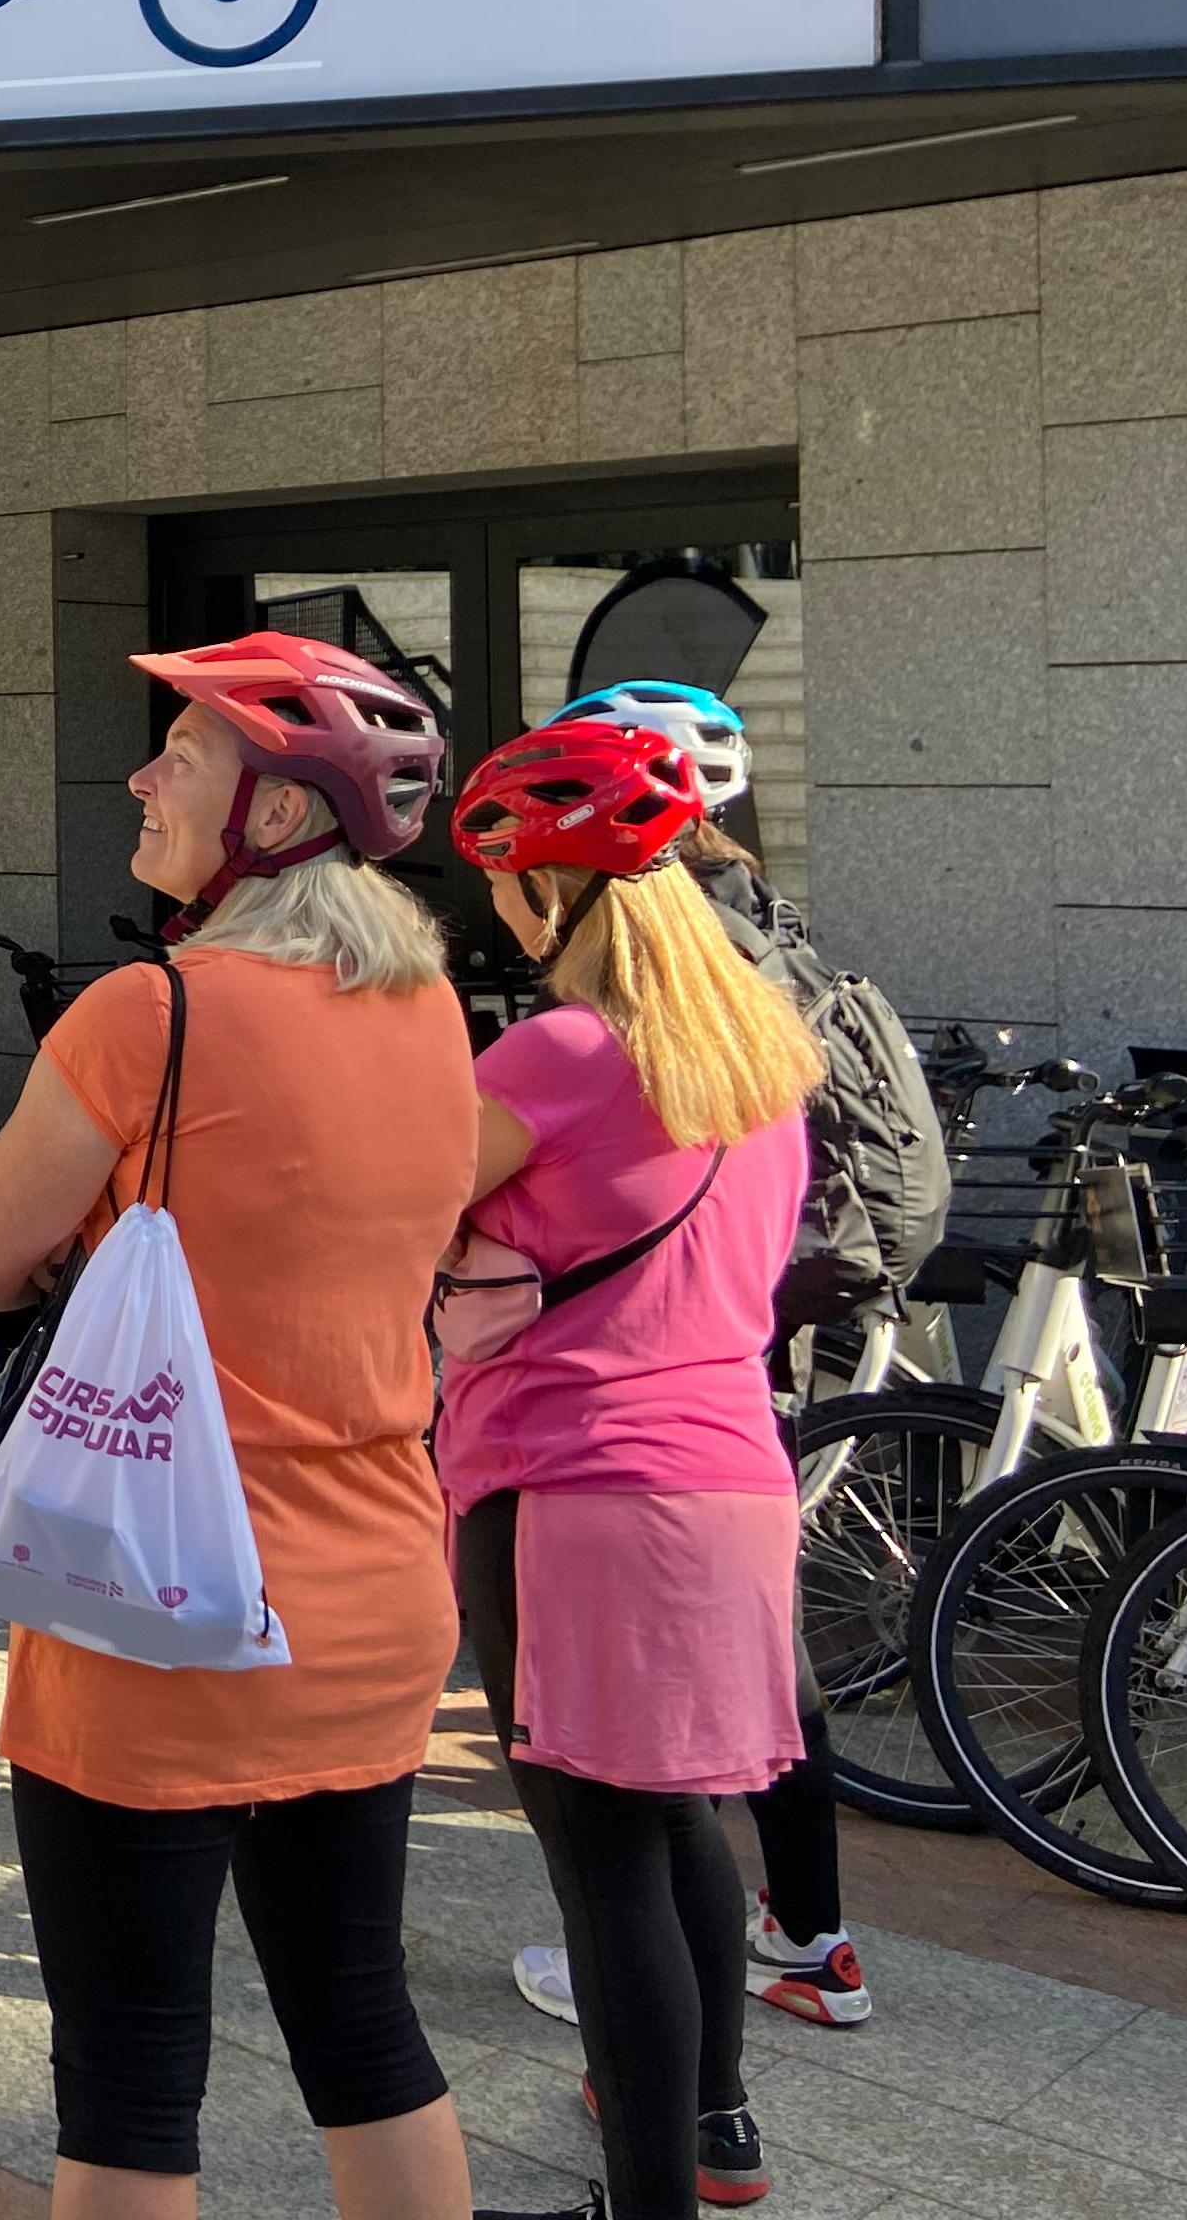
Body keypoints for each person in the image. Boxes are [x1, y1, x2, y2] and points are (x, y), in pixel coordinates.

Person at [0, 632, 479, 2220]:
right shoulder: (433, 1010)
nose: (143, 774)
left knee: (128, 2079)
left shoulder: (147, 1011)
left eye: (183, 750)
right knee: (363, 2023)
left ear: (280, 815)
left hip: (159, 1609)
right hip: (374, 1600)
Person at [444, 717, 826, 2220]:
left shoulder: (560, 1051)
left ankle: (646, 2199)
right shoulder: (764, 1060)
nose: (510, 926)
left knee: (598, 1858)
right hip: (732, 1476)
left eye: (513, 891)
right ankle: (717, 2135)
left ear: (555, 891)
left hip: (575, 1484)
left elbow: (409, 1205)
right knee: (676, 1823)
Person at [510, 681, 872, 2036]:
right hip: (736, 1419)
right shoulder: (761, 1018)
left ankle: (674, 2124)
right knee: (694, 1786)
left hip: (598, 1450)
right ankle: (793, 1983)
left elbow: (416, 1211)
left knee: (618, 1833)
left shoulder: (570, 1043)